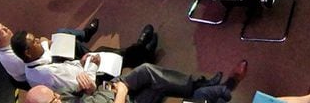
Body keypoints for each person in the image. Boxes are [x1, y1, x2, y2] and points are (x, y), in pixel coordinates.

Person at [11, 26, 158, 93]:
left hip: (81, 72)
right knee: (106, 57)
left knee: (101, 51)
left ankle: (139, 51)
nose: (38, 40)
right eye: (35, 42)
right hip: (91, 88)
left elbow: (67, 69)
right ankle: (142, 51)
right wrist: (92, 65)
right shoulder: (48, 74)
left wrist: (80, 62)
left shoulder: (31, 67)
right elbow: (84, 85)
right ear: (27, 53)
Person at [23, 61, 246, 103]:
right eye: (53, 100)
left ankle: (202, 86)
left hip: (108, 90)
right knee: (156, 85)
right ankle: (218, 90)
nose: (58, 98)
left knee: (147, 70)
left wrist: (89, 89)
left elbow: (83, 96)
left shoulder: (62, 97)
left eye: (55, 95)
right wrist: (122, 92)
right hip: (123, 99)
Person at [0, 20, 99, 84]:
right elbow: (41, 61)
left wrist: (44, 43)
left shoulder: (3, 47)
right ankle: (93, 59)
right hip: (40, 72)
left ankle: (85, 39)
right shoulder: (14, 57)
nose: (7, 29)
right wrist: (45, 44)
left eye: (4, 26)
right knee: (64, 38)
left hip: (36, 67)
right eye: (3, 32)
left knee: (62, 35)